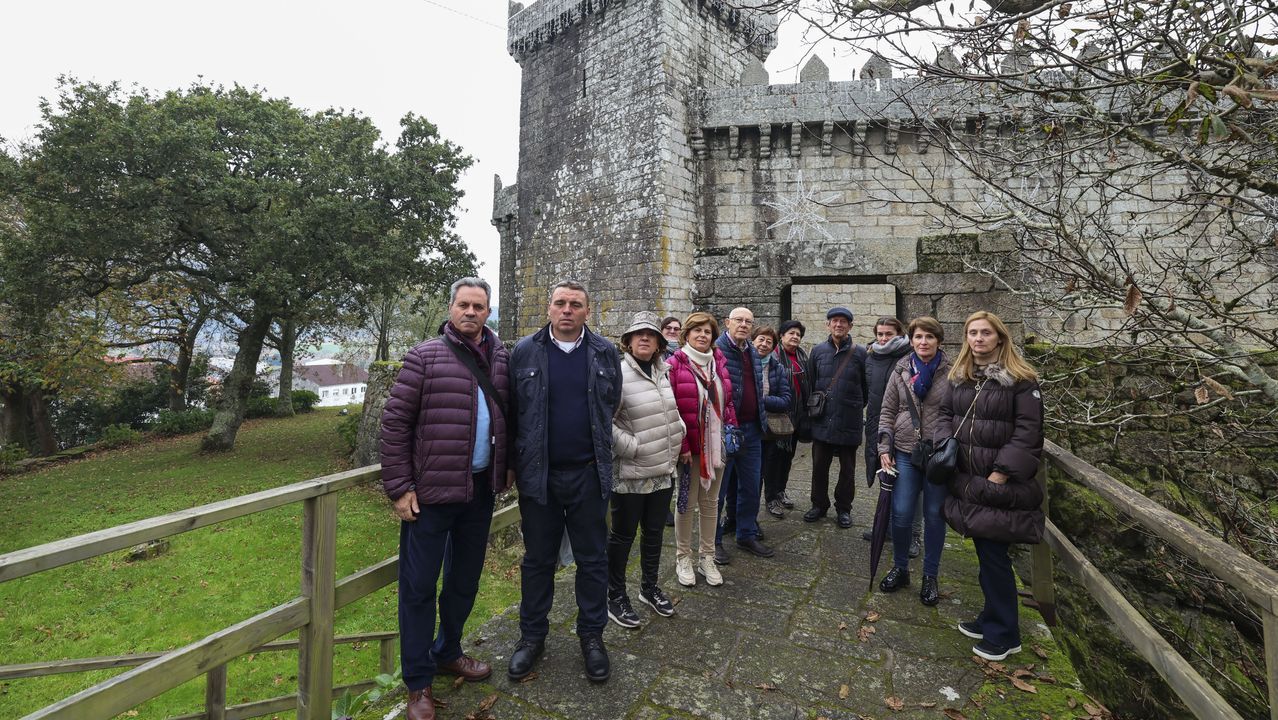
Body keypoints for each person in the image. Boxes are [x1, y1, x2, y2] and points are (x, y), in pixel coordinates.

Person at [379, 277, 509, 720]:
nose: (471, 312)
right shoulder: (425, 357)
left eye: (479, 306)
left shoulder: (500, 359)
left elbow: (507, 416)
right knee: (418, 589)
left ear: (488, 312)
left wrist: (504, 467)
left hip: (477, 492)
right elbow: (394, 425)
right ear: (451, 308)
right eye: (463, 305)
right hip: (430, 495)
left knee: (464, 580)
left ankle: (448, 649)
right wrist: (399, 488)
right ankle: (418, 684)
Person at [507, 280, 622, 684]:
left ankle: (592, 637)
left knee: (592, 561)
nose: (567, 310)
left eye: (576, 304)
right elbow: (513, 414)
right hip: (540, 477)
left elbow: (610, 407)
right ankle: (532, 637)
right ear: (549, 308)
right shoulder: (524, 352)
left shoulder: (606, 352)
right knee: (537, 561)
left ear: (587, 311)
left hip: (589, 473)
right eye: (560, 303)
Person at [938, 311, 1045, 662]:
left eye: (986, 333)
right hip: (966, 476)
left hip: (996, 482)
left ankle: (1004, 634)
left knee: (995, 555)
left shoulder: (1021, 381)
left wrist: (1001, 473)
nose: (979, 338)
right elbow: (943, 416)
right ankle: (990, 617)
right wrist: (944, 449)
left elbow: (1028, 433)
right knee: (985, 553)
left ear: (1000, 337)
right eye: (972, 332)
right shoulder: (961, 377)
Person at [606, 311, 686, 627]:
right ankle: (615, 596)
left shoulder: (662, 372)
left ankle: (649, 588)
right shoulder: (617, 374)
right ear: (627, 342)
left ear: (658, 344)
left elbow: (671, 413)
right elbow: (604, 422)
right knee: (623, 536)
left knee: (654, 533)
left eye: (650, 335)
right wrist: (632, 447)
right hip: (631, 473)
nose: (644, 339)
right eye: (638, 334)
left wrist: (677, 433)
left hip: (663, 469)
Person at [876, 316, 951, 606]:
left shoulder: (953, 372)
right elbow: (887, 410)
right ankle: (901, 567)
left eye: (929, 337)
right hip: (905, 451)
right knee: (902, 513)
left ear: (938, 341)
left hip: (938, 455)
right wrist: (884, 446)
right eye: (918, 337)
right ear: (911, 340)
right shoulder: (901, 369)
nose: (923, 342)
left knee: (934, 516)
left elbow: (959, 412)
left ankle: (930, 575)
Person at [667, 312, 737, 587]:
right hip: (690, 449)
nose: (702, 335)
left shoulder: (719, 364)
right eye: (696, 330)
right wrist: (682, 445)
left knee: (711, 503)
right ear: (686, 334)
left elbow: (727, 401)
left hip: (716, 447)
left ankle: (706, 556)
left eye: (707, 331)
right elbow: (671, 410)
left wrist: (731, 429)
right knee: (686, 504)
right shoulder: (675, 365)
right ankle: (683, 557)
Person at [713, 307, 780, 563]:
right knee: (717, 491)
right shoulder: (717, 350)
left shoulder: (751, 350)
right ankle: (714, 541)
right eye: (738, 320)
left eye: (748, 321)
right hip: (725, 430)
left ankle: (746, 533)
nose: (743, 324)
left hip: (752, 429)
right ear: (727, 322)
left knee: (751, 486)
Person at [862, 317, 921, 558]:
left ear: (900, 333)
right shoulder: (871, 357)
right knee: (886, 475)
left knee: (912, 486)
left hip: (906, 428)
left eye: (890, 333)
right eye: (880, 334)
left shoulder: (911, 356)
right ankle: (888, 528)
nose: (884, 338)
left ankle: (914, 535)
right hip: (880, 424)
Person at [804, 307, 868, 529]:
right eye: (834, 321)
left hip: (849, 419)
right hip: (822, 419)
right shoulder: (818, 351)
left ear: (850, 326)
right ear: (827, 325)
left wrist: (852, 405)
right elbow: (811, 383)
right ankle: (819, 505)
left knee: (848, 470)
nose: (838, 325)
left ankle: (844, 508)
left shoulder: (860, 353)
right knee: (819, 466)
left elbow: (866, 388)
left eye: (843, 322)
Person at [762, 320, 809, 517]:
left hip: (796, 416)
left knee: (787, 458)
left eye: (798, 334)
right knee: (773, 460)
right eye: (791, 333)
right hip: (777, 417)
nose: (795, 337)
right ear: (781, 336)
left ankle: (781, 491)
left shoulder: (802, 356)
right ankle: (771, 498)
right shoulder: (774, 357)